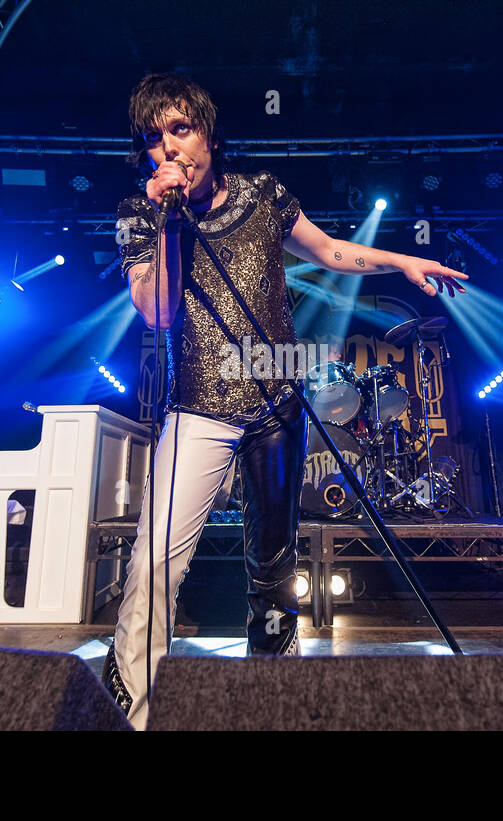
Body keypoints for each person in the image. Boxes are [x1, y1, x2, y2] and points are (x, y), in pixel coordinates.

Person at [104, 73, 468, 728]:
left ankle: (273, 700)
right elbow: (157, 310)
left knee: (273, 571)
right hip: (199, 407)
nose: (168, 148)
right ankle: (127, 712)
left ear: (210, 135)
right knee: (153, 564)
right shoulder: (141, 213)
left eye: (179, 129)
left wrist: (402, 262)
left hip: (276, 404)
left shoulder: (263, 194)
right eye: (153, 139)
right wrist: (167, 222)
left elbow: (328, 250)